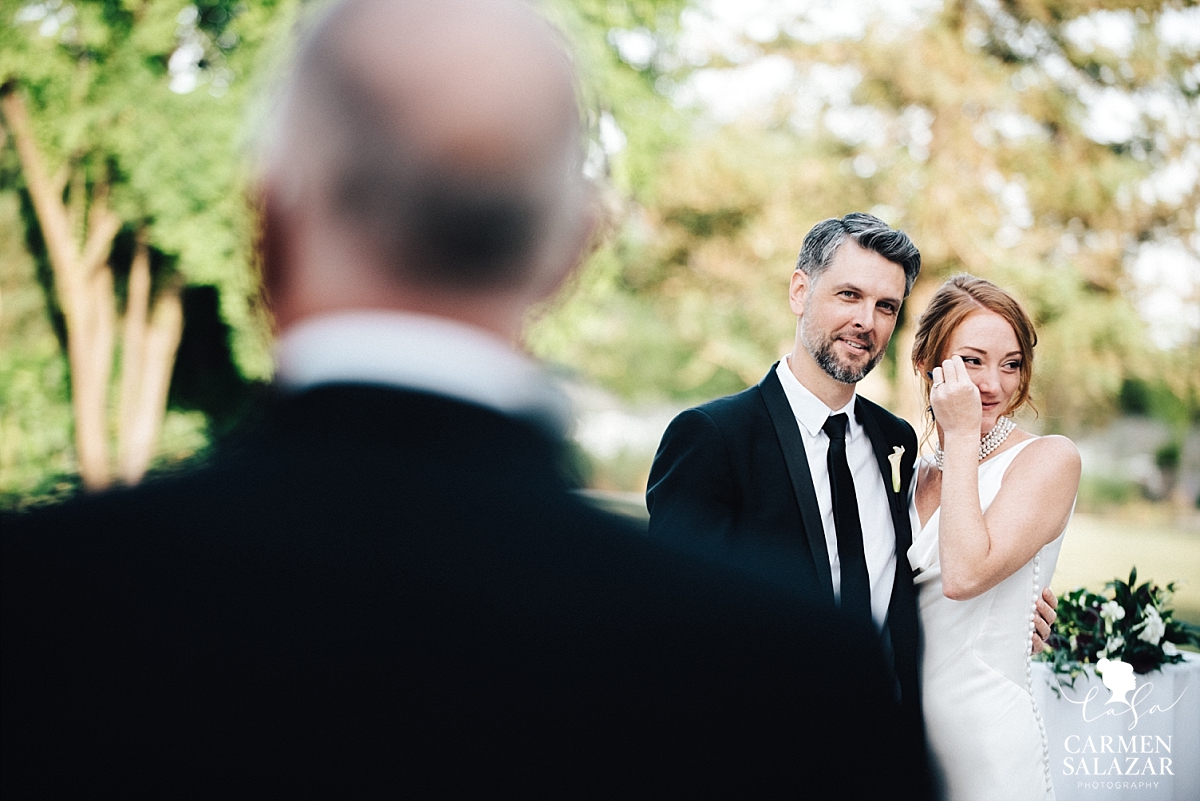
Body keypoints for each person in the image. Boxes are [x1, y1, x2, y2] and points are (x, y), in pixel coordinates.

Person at [0, 1, 930, 798]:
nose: (869, 317)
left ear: (270, 222)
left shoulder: (43, 607)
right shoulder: (800, 682)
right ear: (570, 252)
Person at [647, 214, 1059, 741]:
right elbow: (674, 621)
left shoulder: (898, 443)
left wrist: (1013, 608)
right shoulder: (713, 438)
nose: (867, 320)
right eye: (848, 295)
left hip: (886, 747)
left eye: (886, 306)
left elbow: (922, 574)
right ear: (800, 290)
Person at [908, 275, 1080, 801]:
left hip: (983, 740)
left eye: (1011, 364)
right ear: (926, 363)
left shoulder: (1048, 459)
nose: (994, 384)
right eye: (973, 360)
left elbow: (963, 575)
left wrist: (960, 435)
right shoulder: (910, 467)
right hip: (900, 734)